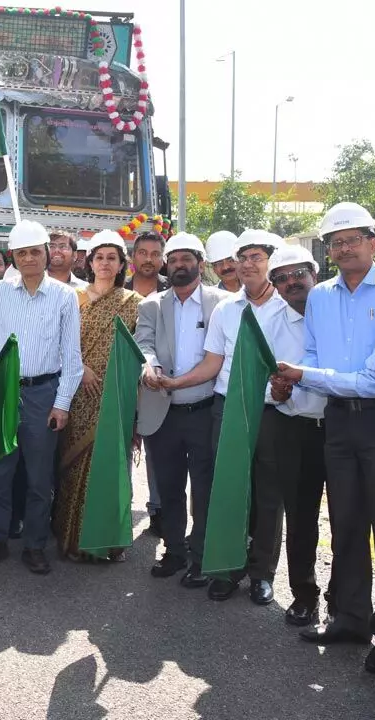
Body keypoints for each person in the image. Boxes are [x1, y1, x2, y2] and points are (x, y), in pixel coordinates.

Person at [286, 202, 375, 649]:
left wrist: (305, 374)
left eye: (352, 239)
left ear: (373, 241)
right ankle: (350, 617)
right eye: (336, 242)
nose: (344, 248)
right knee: (346, 522)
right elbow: (311, 354)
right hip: (338, 422)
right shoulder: (321, 297)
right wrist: (292, 377)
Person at [158, 230, 288, 601]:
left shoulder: (289, 308)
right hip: (226, 409)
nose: (247, 264)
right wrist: (175, 382)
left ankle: (262, 573)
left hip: (271, 413)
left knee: (266, 495)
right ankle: (227, 568)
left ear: (270, 262)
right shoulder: (227, 310)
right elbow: (212, 364)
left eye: (256, 257)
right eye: (242, 257)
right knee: (226, 490)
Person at [0, 220, 82, 574]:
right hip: (3, 390)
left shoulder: (65, 297)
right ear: (13, 257)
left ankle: (35, 545)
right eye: (22, 253)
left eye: (36, 251)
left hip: (43, 393)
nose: (30, 258)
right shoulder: (2, 292)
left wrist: (62, 404)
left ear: (47, 254)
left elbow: (72, 357)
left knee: (39, 477)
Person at [135, 232, 231, 587]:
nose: (179, 265)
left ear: (200, 265)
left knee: (203, 487)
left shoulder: (222, 303)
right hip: (164, 412)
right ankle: (174, 550)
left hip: (204, 411)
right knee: (169, 487)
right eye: (173, 260)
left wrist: (180, 382)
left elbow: (219, 359)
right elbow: (143, 344)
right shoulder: (152, 306)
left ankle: (201, 556)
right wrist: (149, 366)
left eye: (186, 259)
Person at [53, 231, 142, 560]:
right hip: (75, 393)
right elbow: (57, 343)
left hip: (114, 397)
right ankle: (71, 540)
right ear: (88, 262)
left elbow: (137, 353)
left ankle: (104, 541)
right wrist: (81, 369)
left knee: (108, 467)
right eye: (99, 257)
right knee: (73, 468)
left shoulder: (134, 304)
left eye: (112, 258)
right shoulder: (71, 298)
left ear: (122, 265)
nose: (105, 263)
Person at [252, 244, 328, 627]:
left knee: (351, 517)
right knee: (301, 517)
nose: (291, 282)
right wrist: (275, 393)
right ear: (275, 287)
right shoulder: (270, 323)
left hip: (342, 429)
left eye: (298, 273)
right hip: (294, 428)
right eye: (281, 278)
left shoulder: (336, 310)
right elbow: (260, 378)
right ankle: (304, 595)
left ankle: (348, 603)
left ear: (315, 273)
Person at [123, 230, 169, 536]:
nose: (148, 259)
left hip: (157, 384)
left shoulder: (174, 292)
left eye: (155, 254)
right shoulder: (117, 289)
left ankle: (159, 510)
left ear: (162, 259)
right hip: (122, 384)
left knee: (157, 451)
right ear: (132, 258)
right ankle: (119, 510)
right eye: (143, 253)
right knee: (121, 449)